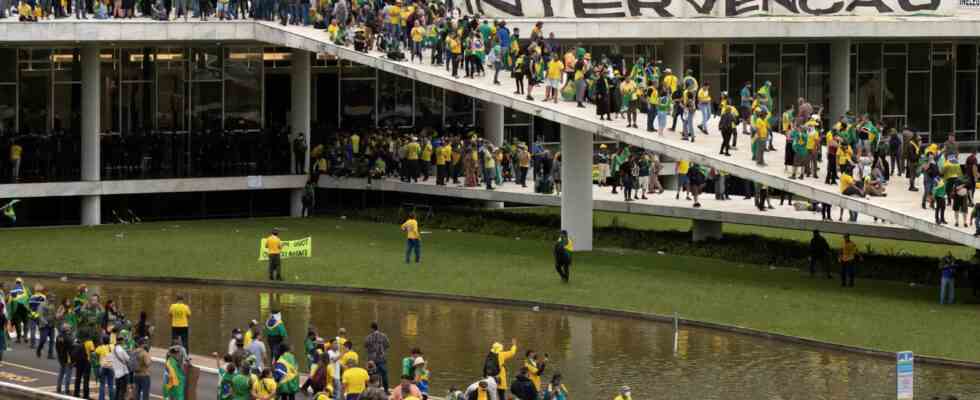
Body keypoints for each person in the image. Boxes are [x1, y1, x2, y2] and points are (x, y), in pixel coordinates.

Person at [364, 322, 391, 394]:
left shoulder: (368, 337)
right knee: (384, 374)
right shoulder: (384, 336)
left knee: (371, 375)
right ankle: (386, 390)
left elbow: (365, 346)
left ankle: (370, 391)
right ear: (377, 327)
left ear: (372, 328)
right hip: (381, 359)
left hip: (371, 360)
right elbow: (387, 345)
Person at [110, 335, 131, 400]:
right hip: (123, 373)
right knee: (123, 391)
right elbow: (128, 359)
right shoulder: (121, 350)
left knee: (117, 390)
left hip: (116, 373)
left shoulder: (113, 350)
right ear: (121, 341)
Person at [55, 324, 73, 394]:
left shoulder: (58, 337)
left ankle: (58, 388)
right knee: (68, 375)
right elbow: (71, 349)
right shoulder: (68, 338)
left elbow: (56, 347)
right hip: (68, 358)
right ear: (66, 330)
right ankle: (67, 390)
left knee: (61, 373)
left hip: (60, 357)